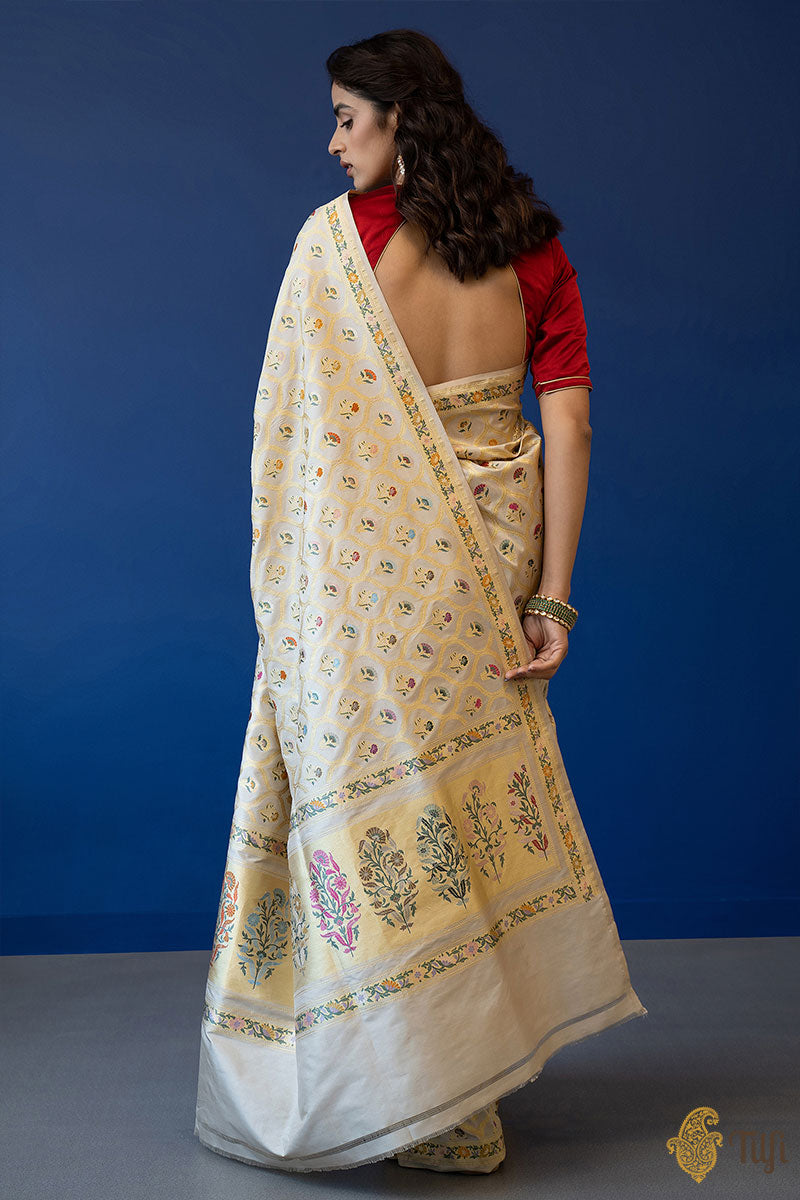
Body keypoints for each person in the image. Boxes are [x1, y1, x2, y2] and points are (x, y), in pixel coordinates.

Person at [193, 28, 646, 1176]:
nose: (332, 141)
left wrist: (295, 597)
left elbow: (291, 444)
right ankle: (459, 1097)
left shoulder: (335, 248)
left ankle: (415, 1097)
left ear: (399, 120)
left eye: (347, 117)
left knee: (383, 815)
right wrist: (554, 600)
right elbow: (569, 424)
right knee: (452, 811)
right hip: (488, 568)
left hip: (364, 585)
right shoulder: (531, 246)